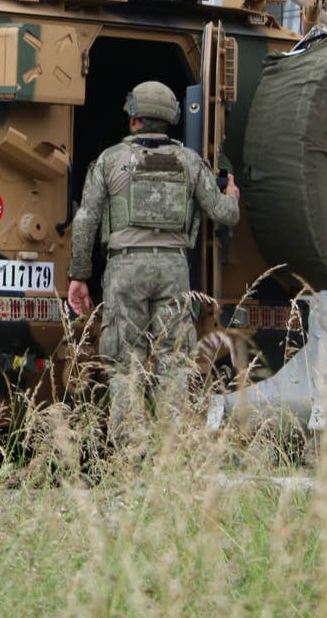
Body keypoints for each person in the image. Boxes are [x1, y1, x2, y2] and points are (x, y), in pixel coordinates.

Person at [65, 80, 240, 444]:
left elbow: (85, 221)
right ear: (170, 120)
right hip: (174, 270)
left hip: (124, 270)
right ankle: (170, 451)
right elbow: (223, 214)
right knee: (174, 362)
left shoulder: (109, 161)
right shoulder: (190, 162)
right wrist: (233, 197)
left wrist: (79, 276)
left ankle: (130, 450)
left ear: (133, 119)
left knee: (124, 362)